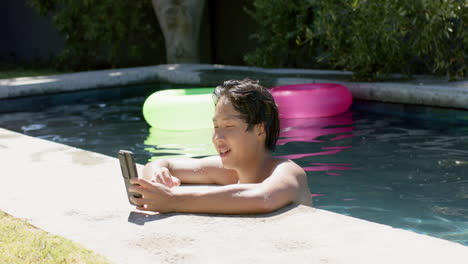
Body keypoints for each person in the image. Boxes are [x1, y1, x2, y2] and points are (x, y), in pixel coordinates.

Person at [129, 79, 312, 214]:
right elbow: (161, 163)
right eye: (216, 127)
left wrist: (173, 200)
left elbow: (263, 197)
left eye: (228, 126)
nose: (217, 137)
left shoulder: (288, 171)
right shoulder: (229, 172)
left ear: (259, 130)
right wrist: (158, 177)